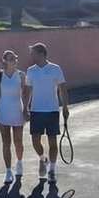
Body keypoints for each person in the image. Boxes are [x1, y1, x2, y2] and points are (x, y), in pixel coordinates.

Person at [22, 41, 68, 182]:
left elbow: (62, 89)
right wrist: (25, 108)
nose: (31, 56)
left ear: (41, 54)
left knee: (52, 142)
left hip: (52, 111)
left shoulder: (55, 69)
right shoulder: (31, 70)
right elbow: (28, 91)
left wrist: (65, 107)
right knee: (35, 142)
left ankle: (52, 170)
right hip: (36, 111)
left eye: (33, 54)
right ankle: (43, 159)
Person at [0, 50, 26, 184]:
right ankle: (8, 171)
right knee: (6, 143)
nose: (14, 61)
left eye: (15, 58)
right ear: (4, 61)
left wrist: (27, 109)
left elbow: (26, 94)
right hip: (3, 111)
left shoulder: (21, 75)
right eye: (11, 59)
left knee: (18, 142)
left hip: (17, 111)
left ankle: (20, 163)